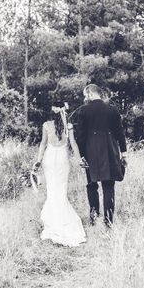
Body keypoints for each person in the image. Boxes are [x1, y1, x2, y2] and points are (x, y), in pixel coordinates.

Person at [72, 84, 127, 227]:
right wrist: (124, 154)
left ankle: (94, 218)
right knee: (108, 186)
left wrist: (81, 156)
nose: (85, 98)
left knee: (91, 185)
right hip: (110, 151)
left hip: (90, 153)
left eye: (85, 95)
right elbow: (120, 134)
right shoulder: (112, 110)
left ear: (90, 94)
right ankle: (108, 222)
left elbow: (81, 136)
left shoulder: (83, 111)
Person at [33, 101, 86, 247]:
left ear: (51, 112)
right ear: (64, 112)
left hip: (49, 160)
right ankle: (62, 220)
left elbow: (43, 144)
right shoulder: (68, 126)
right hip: (62, 161)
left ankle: (52, 222)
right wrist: (80, 160)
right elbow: (73, 144)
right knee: (61, 192)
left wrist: (38, 161)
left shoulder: (46, 125)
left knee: (52, 191)